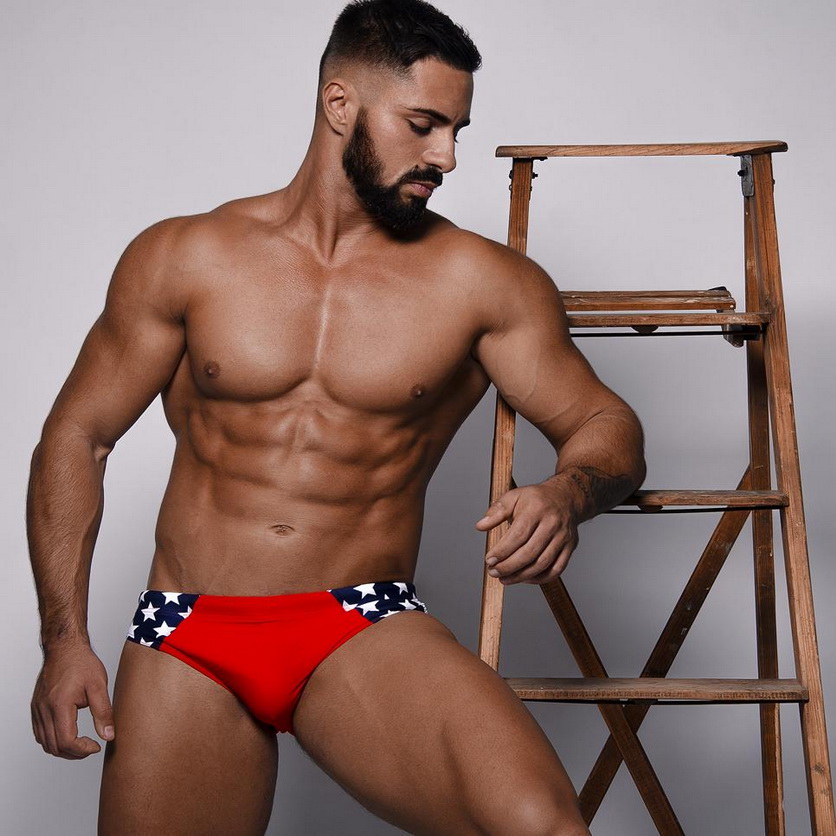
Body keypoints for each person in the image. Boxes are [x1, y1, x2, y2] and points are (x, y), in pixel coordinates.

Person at [28, 1, 645, 833]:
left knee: (540, 827)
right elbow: (79, 436)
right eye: (423, 125)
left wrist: (567, 493)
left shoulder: (482, 284)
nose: (447, 156)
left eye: (456, 130)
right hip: (188, 629)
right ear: (340, 104)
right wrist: (63, 640)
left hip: (358, 622)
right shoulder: (186, 256)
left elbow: (606, 422)